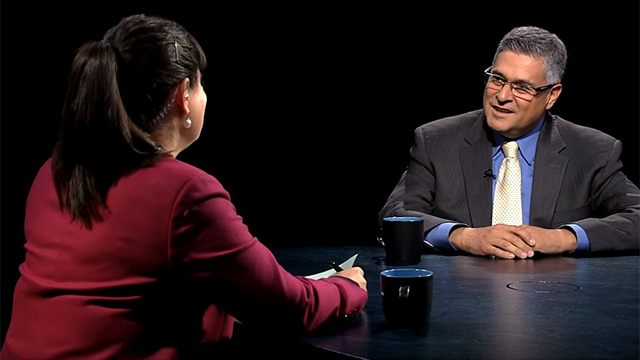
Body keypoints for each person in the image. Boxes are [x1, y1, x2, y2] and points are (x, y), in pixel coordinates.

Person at [1, 14, 368, 359]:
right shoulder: (186, 193)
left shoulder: (53, 172)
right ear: (183, 95)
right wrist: (347, 287)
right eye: (201, 83)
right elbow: (289, 307)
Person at [378, 26, 640, 260]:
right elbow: (396, 215)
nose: (502, 96)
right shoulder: (436, 141)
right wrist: (464, 237)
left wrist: (564, 238)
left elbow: (636, 217)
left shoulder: (593, 151)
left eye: (522, 87)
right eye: (497, 79)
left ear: (552, 95)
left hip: (556, 301)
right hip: (457, 297)